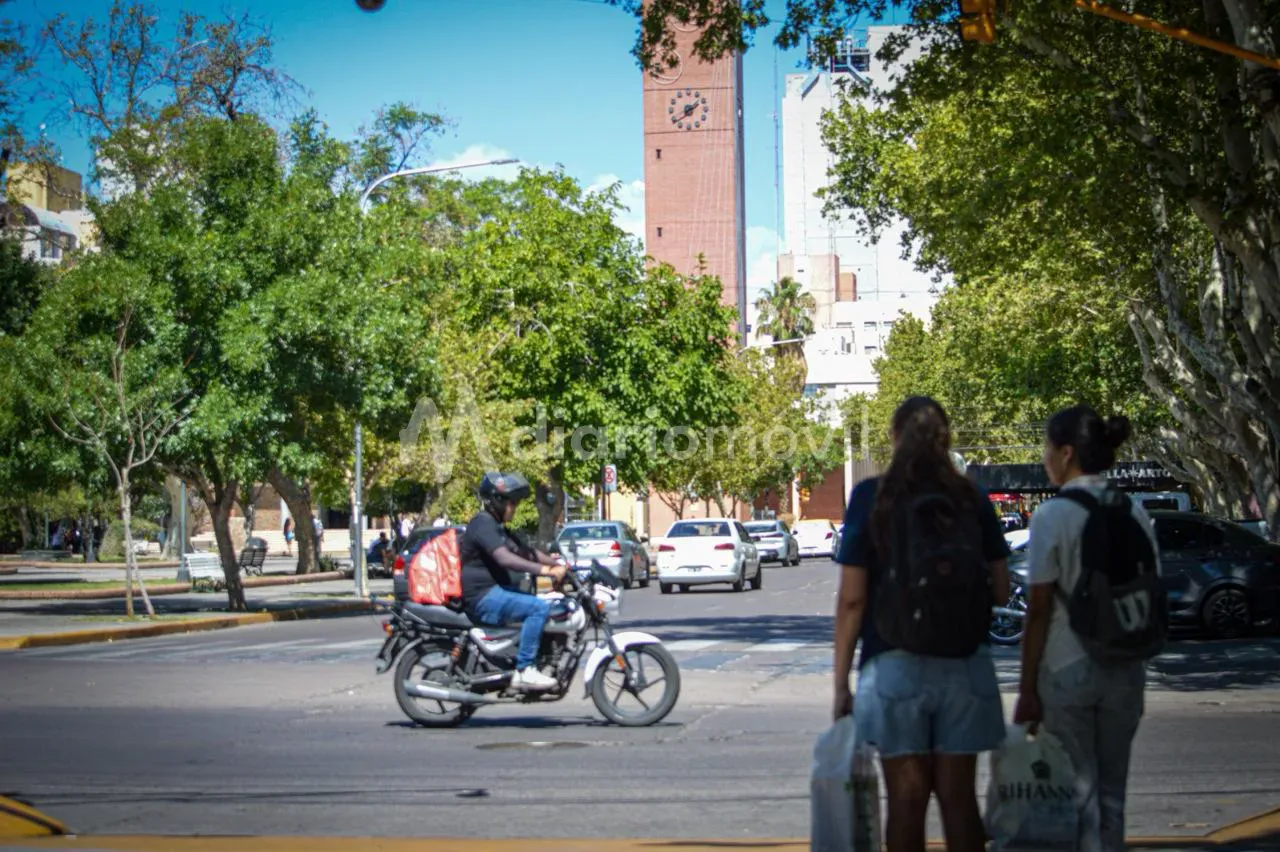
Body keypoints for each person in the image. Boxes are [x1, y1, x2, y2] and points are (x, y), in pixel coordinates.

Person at [833, 396, 1010, 852]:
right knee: (958, 798)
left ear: (893, 439)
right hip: (965, 664)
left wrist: (840, 685)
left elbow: (852, 599)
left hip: (892, 664)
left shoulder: (872, 496)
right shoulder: (970, 496)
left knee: (907, 800)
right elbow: (1001, 589)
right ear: (945, 440)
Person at [1014, 406, 1155, 852]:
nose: (1044, 458)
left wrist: (1027, 687)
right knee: (1113, 795)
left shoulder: (1052, 516)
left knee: (1078, 795)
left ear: (1067, 452)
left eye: (1047, 449)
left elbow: (1038, 610)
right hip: (1127, 666)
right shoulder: (1135, 511)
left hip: (1066, 666)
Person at [460, 472, 568, 692]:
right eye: (512, 502)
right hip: (482, 596)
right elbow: (505, 558)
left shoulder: (497, 527)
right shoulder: (482, 524)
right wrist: (545, 571)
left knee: (538, 602)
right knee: (538, 608)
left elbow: (525, 552)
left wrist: (560, 565)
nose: (515, 507)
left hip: (492, 591)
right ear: (497, 501)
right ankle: (525, 670)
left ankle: (528, 658)